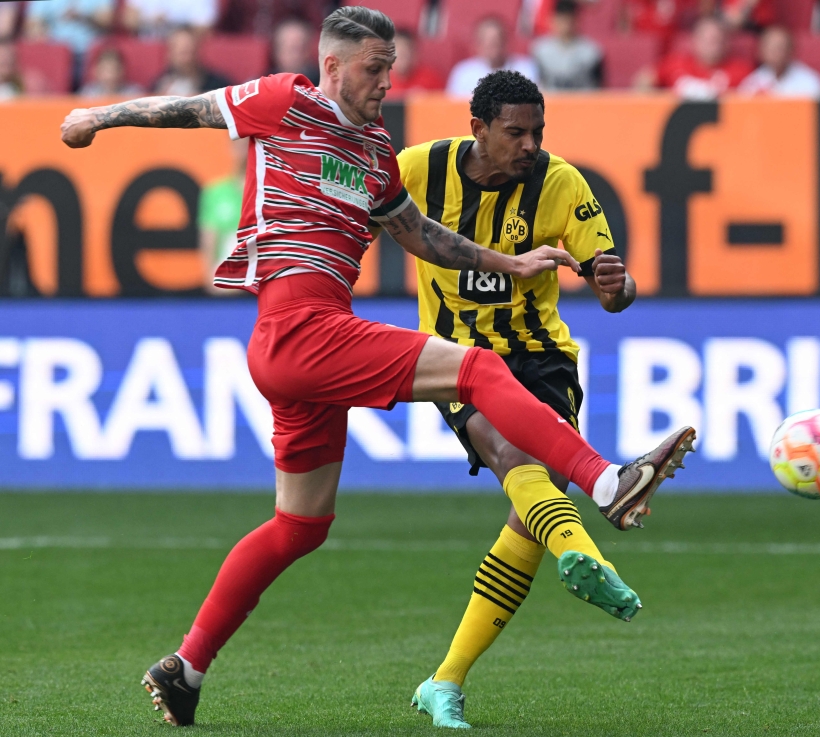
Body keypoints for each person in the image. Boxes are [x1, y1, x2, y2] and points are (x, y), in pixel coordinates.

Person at [60, 6, 685, 728]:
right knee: (477, 369)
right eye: (374, 68)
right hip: (298, 326)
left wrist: (509, 264)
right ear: (332, 65)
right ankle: (606, 480)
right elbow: (191, 108)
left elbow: (418, 235)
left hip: (305, 343)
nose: (387, 81)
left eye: (391, 68)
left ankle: (186, 668)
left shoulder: (375, 151)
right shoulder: (285, 99)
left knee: (300, 524)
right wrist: (97, 116)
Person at [399, 69, 697, 729]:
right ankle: (584, 547)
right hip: (457, 357)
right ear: (477, 129)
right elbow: (358, 216)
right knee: (513, 455)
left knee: (529, 508)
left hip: (540, 358)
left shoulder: (561, 183)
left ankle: (444, 680)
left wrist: (616, 286)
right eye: (516, 132)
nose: (530, 144)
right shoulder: (419, 168)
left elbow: (615, 290)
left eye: (538, 131)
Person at [644, 16, 753, 97]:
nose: (712, 45)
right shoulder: (676, 63)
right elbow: (645, 79)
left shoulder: (741, 71)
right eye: (707, 40)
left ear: (726, 42)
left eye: (717, 39)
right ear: (695, 41)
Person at [198, 138, 248, 294]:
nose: (244, 151)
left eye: (249, 145)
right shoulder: (215, 193)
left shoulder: (271, 192)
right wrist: (210, 278)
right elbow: (208, 240)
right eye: (239, 144)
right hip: (226, 287)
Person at [446, 17, 539, 97]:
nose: (493, 47)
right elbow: (451, 106)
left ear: (506, 41)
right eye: (488, 42)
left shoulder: (525, 69)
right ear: (477, 45)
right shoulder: (463, 73)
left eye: (496, 41)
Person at [531, 0, 604, 90]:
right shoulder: (540, 50)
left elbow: (598, 87)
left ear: (576, 20)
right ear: (552, 20)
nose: (565, 25)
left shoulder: (591, 52)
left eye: (568, 20)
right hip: (551, 98)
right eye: (561, 20)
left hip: (581, 97)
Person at [738, 25, 820, 97]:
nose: (775, 53)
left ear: (791, 50)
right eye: (771, 48)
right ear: (761, 51)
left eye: (780, 47)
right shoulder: (752, 83)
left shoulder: (809, 81)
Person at [154, 26, 230, 96]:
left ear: (197, 50)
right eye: (180, 52)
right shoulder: (160, 85)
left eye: (188, 50)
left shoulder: (218, 86)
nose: (185, 59)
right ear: (169, 53)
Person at [385, 29, 444, 99]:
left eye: (405, 53)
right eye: (397, 52)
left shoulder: (431, 79)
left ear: (414, 53)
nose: (401, 58)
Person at [123, 0, 218, 37]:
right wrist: (150, 20)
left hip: (184, 50)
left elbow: (205, 27)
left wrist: (172, 25)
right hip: (147, 45)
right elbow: (128, 21)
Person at [269, 17, 320, 85]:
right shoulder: (264, 84)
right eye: (290, 49)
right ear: (277, 52)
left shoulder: (321, 85)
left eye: (299, 48)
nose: (295, 56)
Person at [79, 47, 145, 97]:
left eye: (115, 70)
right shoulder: (87, 94)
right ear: (96, 71)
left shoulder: (135, 94)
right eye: (105, 70)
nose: (110, 76)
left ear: (122, 71)